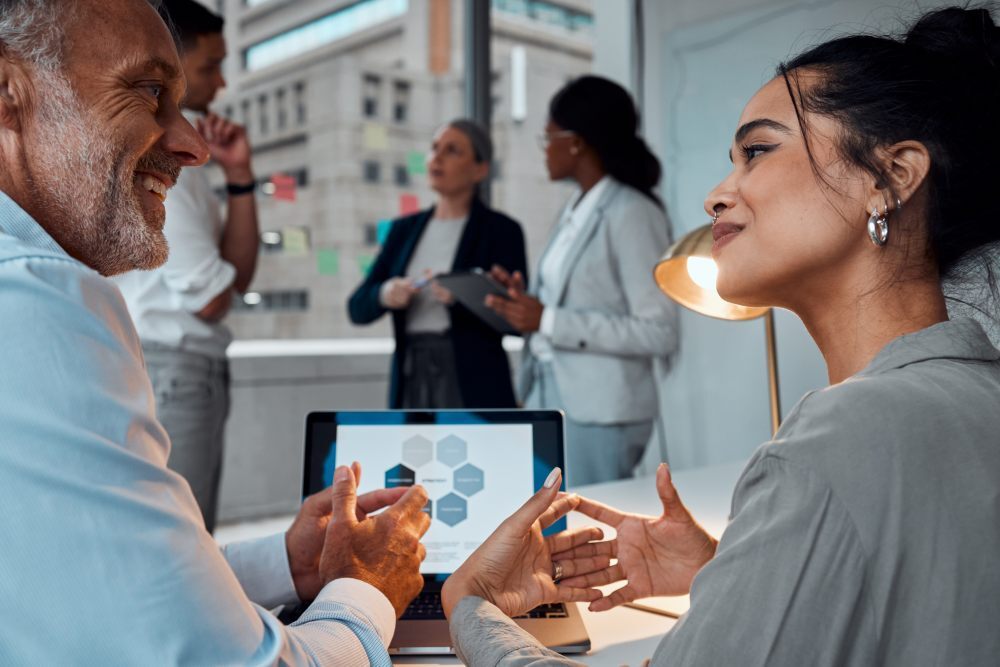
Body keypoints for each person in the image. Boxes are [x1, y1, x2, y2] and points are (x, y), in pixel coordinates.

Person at [443, 6, 1000, 665]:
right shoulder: (975, 390)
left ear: (892, 177)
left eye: (757, 152)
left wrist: (471, 608)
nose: (715, 194)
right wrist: (734, 568)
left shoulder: (839, 440)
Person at [0, 0, 431, 662]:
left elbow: (124, 582)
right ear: (8, 93)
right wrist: (364, 590)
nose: (192, 144)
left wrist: (287, 566)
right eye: (148, 91)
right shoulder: (36, 295)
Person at [110, 0, 258, 533]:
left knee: (194, 534)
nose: (220, 84)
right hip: (174, 369)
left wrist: (241, 178)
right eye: (210, 67)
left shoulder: (187, 154)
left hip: (187, 367)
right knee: (184, 539)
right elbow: (213, 297)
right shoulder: (165, 155)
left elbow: (237, 277)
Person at [486, 76, 678, 486]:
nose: (545, 149)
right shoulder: (574, 210)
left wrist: (549, 320)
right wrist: (523, 302)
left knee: (586, 533)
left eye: (548, 137)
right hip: (548, 395)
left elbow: (658, 332)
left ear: (576, 142)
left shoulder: (632, 212)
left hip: (601, 410)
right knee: (551, 530)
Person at [348, 120, 528, 409]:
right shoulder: (402, 230)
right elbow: (356, 308)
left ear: (480, 169)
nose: (437, 158)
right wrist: (386, 293)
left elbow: (516, 320)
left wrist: (462, 299)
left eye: (453, 150)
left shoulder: (502, 230)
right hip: (411, 376)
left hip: (475, 380)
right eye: (434, 149)